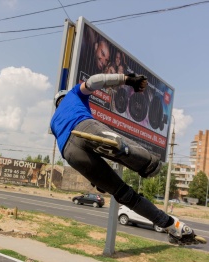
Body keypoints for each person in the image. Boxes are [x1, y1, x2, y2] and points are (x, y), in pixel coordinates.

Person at [50, 73, 204, 246]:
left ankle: (171, 226)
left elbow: (69, 148)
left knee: (123, 194)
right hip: (83, 127)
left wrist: (97, 179)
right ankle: (145, 162)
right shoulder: (73, 94)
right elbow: (94, 81)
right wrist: (127, 79)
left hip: (70, 153)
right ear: (64, 96)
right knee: (150, 164)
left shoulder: (53, 121)